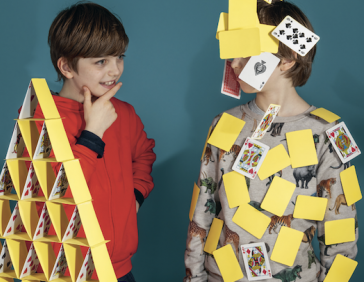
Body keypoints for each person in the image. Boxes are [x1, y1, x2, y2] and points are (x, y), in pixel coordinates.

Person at [184, 1, 357, 281]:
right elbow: (202, 211)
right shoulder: (223, 124)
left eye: (246, 55)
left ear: (287, 58)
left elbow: (340, 227)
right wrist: (194, 276)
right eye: (232, 55)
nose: (234, 65)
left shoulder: (329, 131)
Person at [33, 2, 156, 281]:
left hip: (119, 270)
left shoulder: (123, 113)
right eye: (101, 61)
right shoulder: (41, 118)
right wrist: (92, 133)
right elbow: (55, 195)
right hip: (64, 271)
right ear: (66, 66)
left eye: (119, 57)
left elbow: (144, 155)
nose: (115, 71)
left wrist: (134, 196)